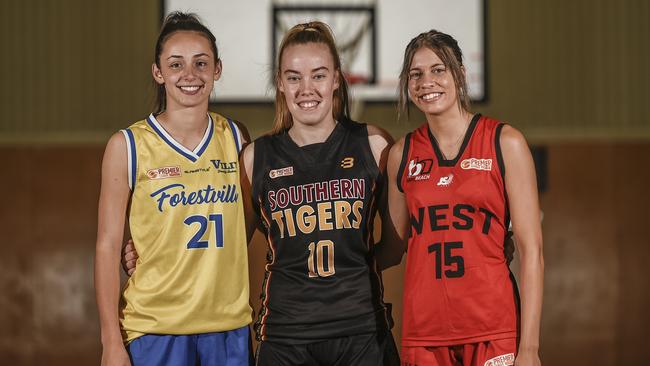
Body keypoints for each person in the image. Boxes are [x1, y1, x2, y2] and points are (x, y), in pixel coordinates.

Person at [240, 21, 401, 366]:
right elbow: (230, 246)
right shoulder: (257, 157)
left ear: (337, 79)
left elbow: (395, 244)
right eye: (294, 77)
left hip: (361, 330)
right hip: (285, 335)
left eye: (318, 75)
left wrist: (354, 274)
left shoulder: (373, 145)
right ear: (280, 84)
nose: (306, 88)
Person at [95, 12, 252, 366]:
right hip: (155, 328)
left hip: (228, 328)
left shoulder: (237, 138)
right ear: (158, 72)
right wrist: (110, 341)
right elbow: (106, 246)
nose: (190, 75)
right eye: (176, 64)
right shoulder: (128, 145)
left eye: (201, 63)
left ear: (217, 70)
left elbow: (250, 223)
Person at [384, 30, 544, 366]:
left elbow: (532, 251)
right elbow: (393, 246)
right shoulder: (402, 154)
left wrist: (529, 348)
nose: (427, 81)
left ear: (461, 74)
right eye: (416, 74)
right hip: (424, 335)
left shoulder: (505, 142)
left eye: (438, 69)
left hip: (492, 329)